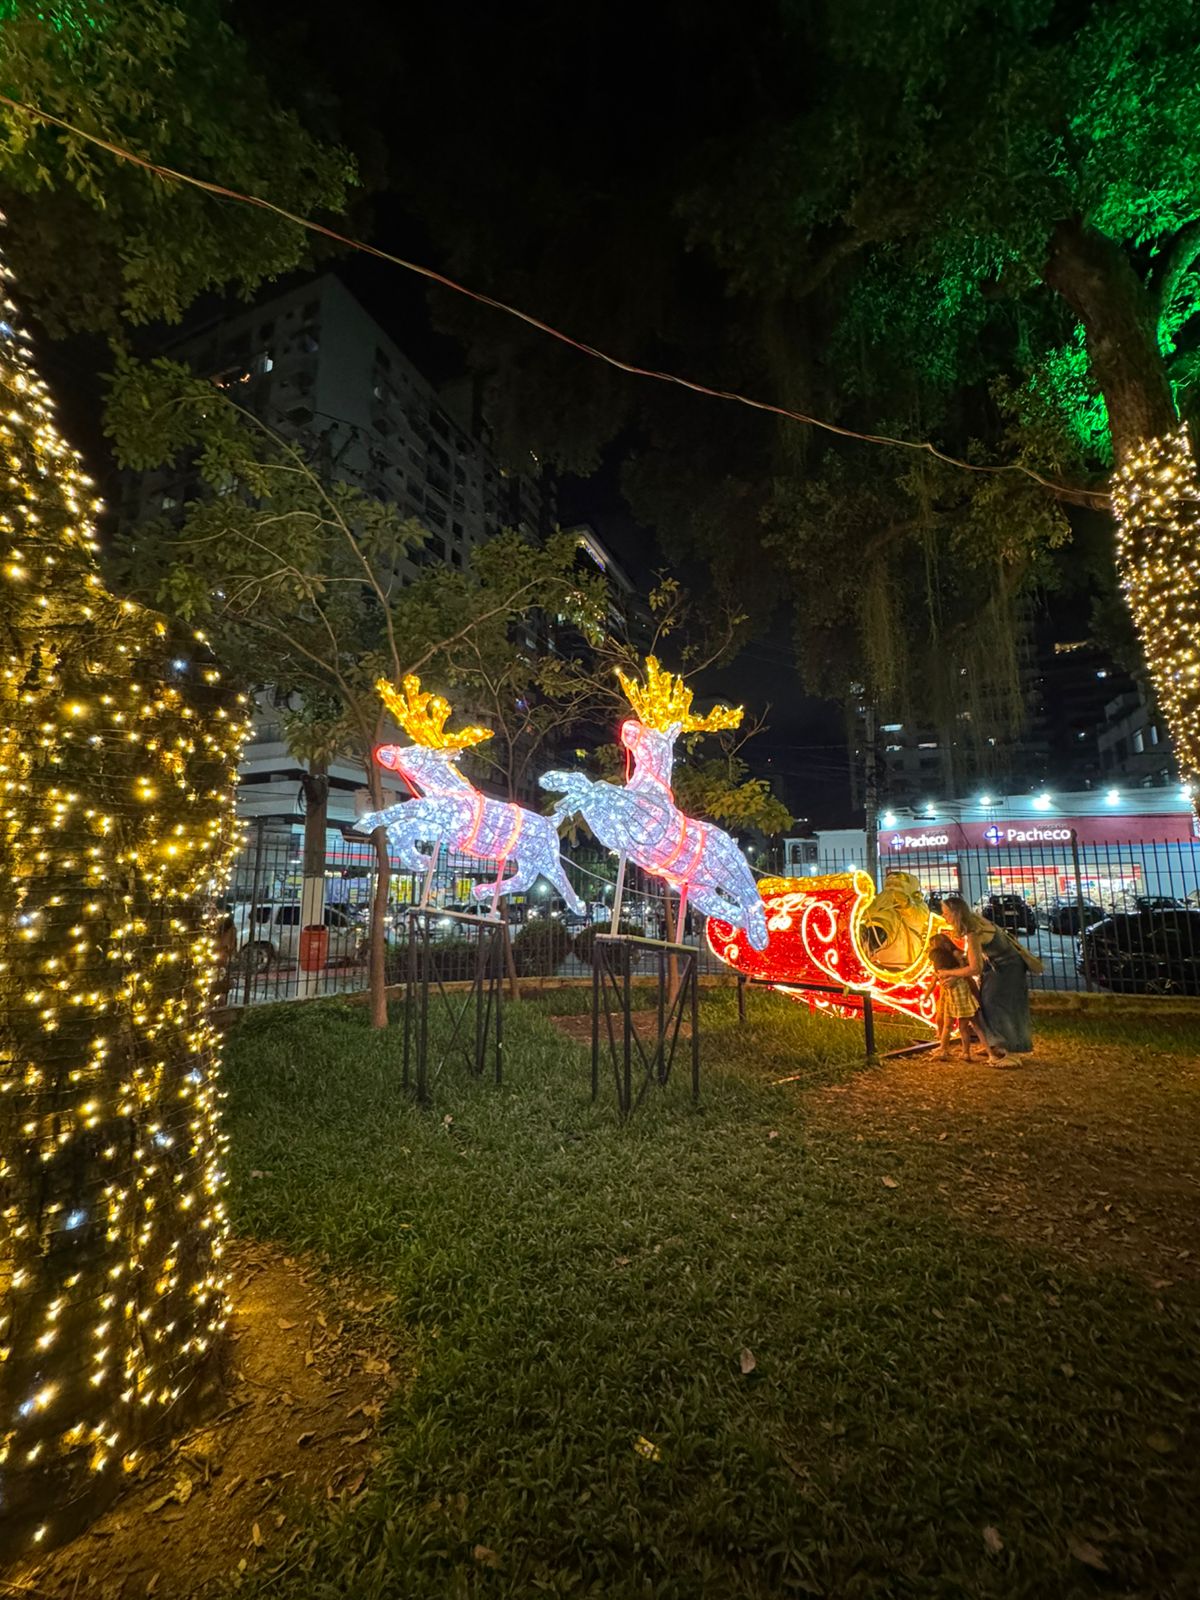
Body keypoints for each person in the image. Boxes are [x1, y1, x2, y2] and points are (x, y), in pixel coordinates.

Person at [939, 893, 1038, 1056]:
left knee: (996, 1004)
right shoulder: (975, 920)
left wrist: (949, 973)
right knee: (986, 1002)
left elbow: (974, 968)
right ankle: (996, 1044)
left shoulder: (973, 932)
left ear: (956, 914)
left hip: (1006, 968)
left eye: (946, 913)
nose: (944, 917)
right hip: (1000, 965)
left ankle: (1010, 1051)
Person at [926, 932, 1001, 1063]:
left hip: (960, 997)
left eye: (933, 945)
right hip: (955, 996)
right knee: (957, 1025)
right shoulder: (948, 961)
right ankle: (946, 1049)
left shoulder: (949, 961)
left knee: (964, 1026)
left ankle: (971, 1052)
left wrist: (951, 978)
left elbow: (966, 973)